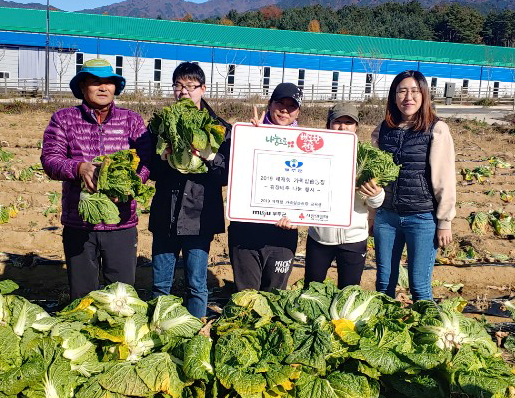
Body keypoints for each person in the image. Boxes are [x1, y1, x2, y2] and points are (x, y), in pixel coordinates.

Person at [41, 58, 151, 300]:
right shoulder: (64, 119)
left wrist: (129, 186)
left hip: (121, 222)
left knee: (122, 298)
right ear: (82, 87)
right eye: (95, 82)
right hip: (79, 222)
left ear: (116, 87)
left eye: (109, 83)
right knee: (82, 296)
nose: (103, 88)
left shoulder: (131, 120)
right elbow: (50, 160)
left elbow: (146, 163)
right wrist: (79, 168)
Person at [146, 62, 230, 318]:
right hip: (165, 214)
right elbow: (150, 169)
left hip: (199, 216)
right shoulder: (160, 125)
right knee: (160, 285)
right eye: (178, 86)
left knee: (196, 285)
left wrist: (209, 157)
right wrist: (162, 158)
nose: (184, 91)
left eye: (190, 86)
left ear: (203, 89)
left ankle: (194, 330)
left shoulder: (220, 128)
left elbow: (226, 174)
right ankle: (160, 327)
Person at [371, 70, 456, 302]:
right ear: (393, 96)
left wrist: (444, 222)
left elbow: (444, 178)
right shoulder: (383, 130)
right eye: (401, 91)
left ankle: (427, 335)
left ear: (424, 95)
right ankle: (386, 333)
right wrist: (372, 216)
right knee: (383, 284)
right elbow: (374, 176)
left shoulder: (436, 129)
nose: (408, 97)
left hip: (421, 217)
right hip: (387, 217)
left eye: (414, 91)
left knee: (419, 287)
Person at [229, 82, 303, 292]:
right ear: (270, 104)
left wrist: (301, 216)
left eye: (291, 106)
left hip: (283, 232)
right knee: (246, 296)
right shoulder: (248, 133)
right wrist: (252, 138)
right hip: (247, 229)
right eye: (280, 103)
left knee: (274, 295)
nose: (284, 110)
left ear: (298, 111)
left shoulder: (306, 145)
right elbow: (231, 171)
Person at [304, 102, 384, 288]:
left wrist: (375, 194)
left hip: (353, 238)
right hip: (320, 236)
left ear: (356, 127)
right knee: (312, 287)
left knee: (349, 290)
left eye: (348, 122)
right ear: (328, 125)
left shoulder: (366, 158)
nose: (342, 127)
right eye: (337, 121)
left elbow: (376, 201)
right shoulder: (314, 155)